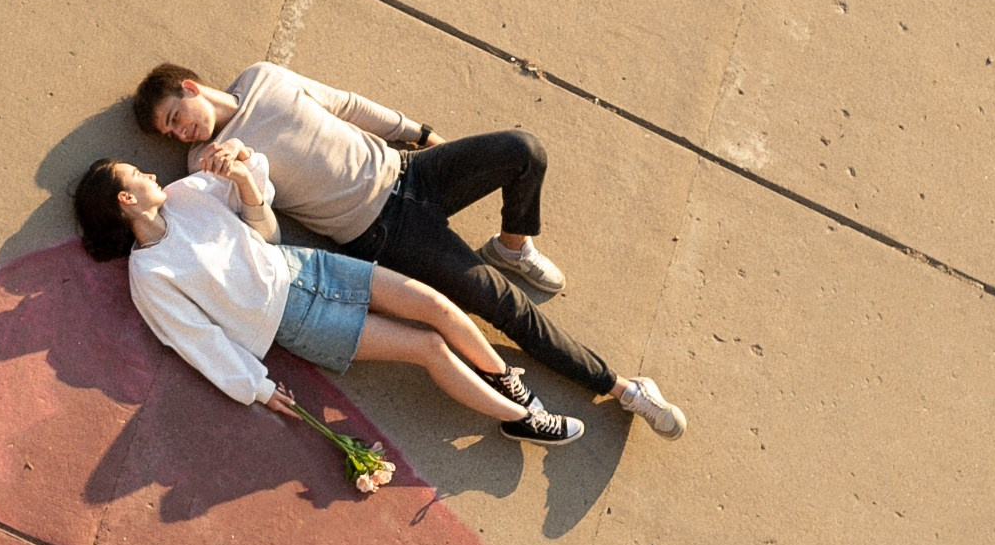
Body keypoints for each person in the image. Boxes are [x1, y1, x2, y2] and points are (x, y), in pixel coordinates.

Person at [130, 60, 685, 435]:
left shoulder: (263, 76)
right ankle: (621, 388)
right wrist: (242, 178)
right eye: (170, 133)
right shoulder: (205, 166)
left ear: (192, 87)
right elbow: (258, 232)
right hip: (384, 233)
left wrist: (418, 134)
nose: (181, 134)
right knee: (500, 306)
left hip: (411, 172)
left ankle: (513, 245)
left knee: (523, 149)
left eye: (176, 118)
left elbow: (345, 105)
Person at [72, 139, 588, 448]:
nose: (150, 173)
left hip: (305, 264)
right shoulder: (150, 275)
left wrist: (241, 159)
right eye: (137, 175)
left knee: (435, 304)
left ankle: (505, 380)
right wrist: (255, 387)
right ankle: (524, 421)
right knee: (426, 347)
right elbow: (194, 340)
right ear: (125, 199)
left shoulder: (186, 196)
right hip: (295, 324)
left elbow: (257, 194)